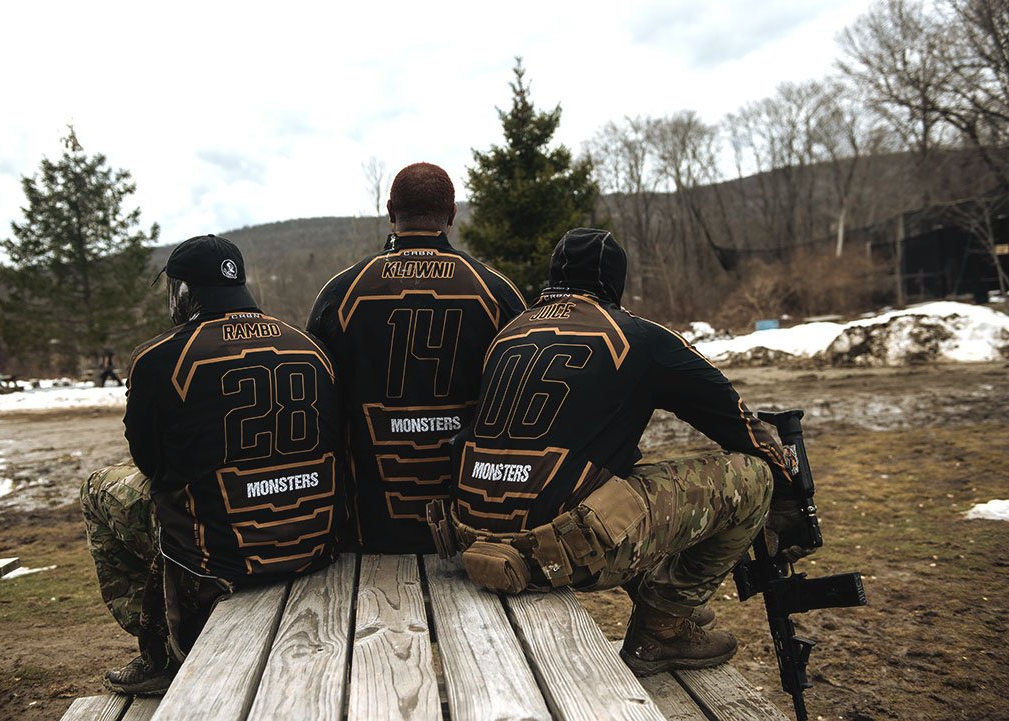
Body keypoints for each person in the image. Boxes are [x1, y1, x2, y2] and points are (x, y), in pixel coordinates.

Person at [440, 228, 814, 676]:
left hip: (474, 538)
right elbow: (738, 425)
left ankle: (661, 601)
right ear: (615, 281)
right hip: (555, 553)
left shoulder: (509, 334)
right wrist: (790, 491)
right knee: (753, 478)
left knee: (628, 476)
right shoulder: (639, 335)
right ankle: (662, 629)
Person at [80, 235, 346, 694]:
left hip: (219, 560)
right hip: (313, 545)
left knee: (99, 486)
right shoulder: (311, 347)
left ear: (184, 292)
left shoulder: (157, 358)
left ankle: (159, 647)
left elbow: (149, 462)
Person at [307, 162, 526, 553]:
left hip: (369, 527)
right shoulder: (496, 292)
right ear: (453, 215)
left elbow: (318, 404)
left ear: (391, 212)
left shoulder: (340, 294)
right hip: (473, 526)